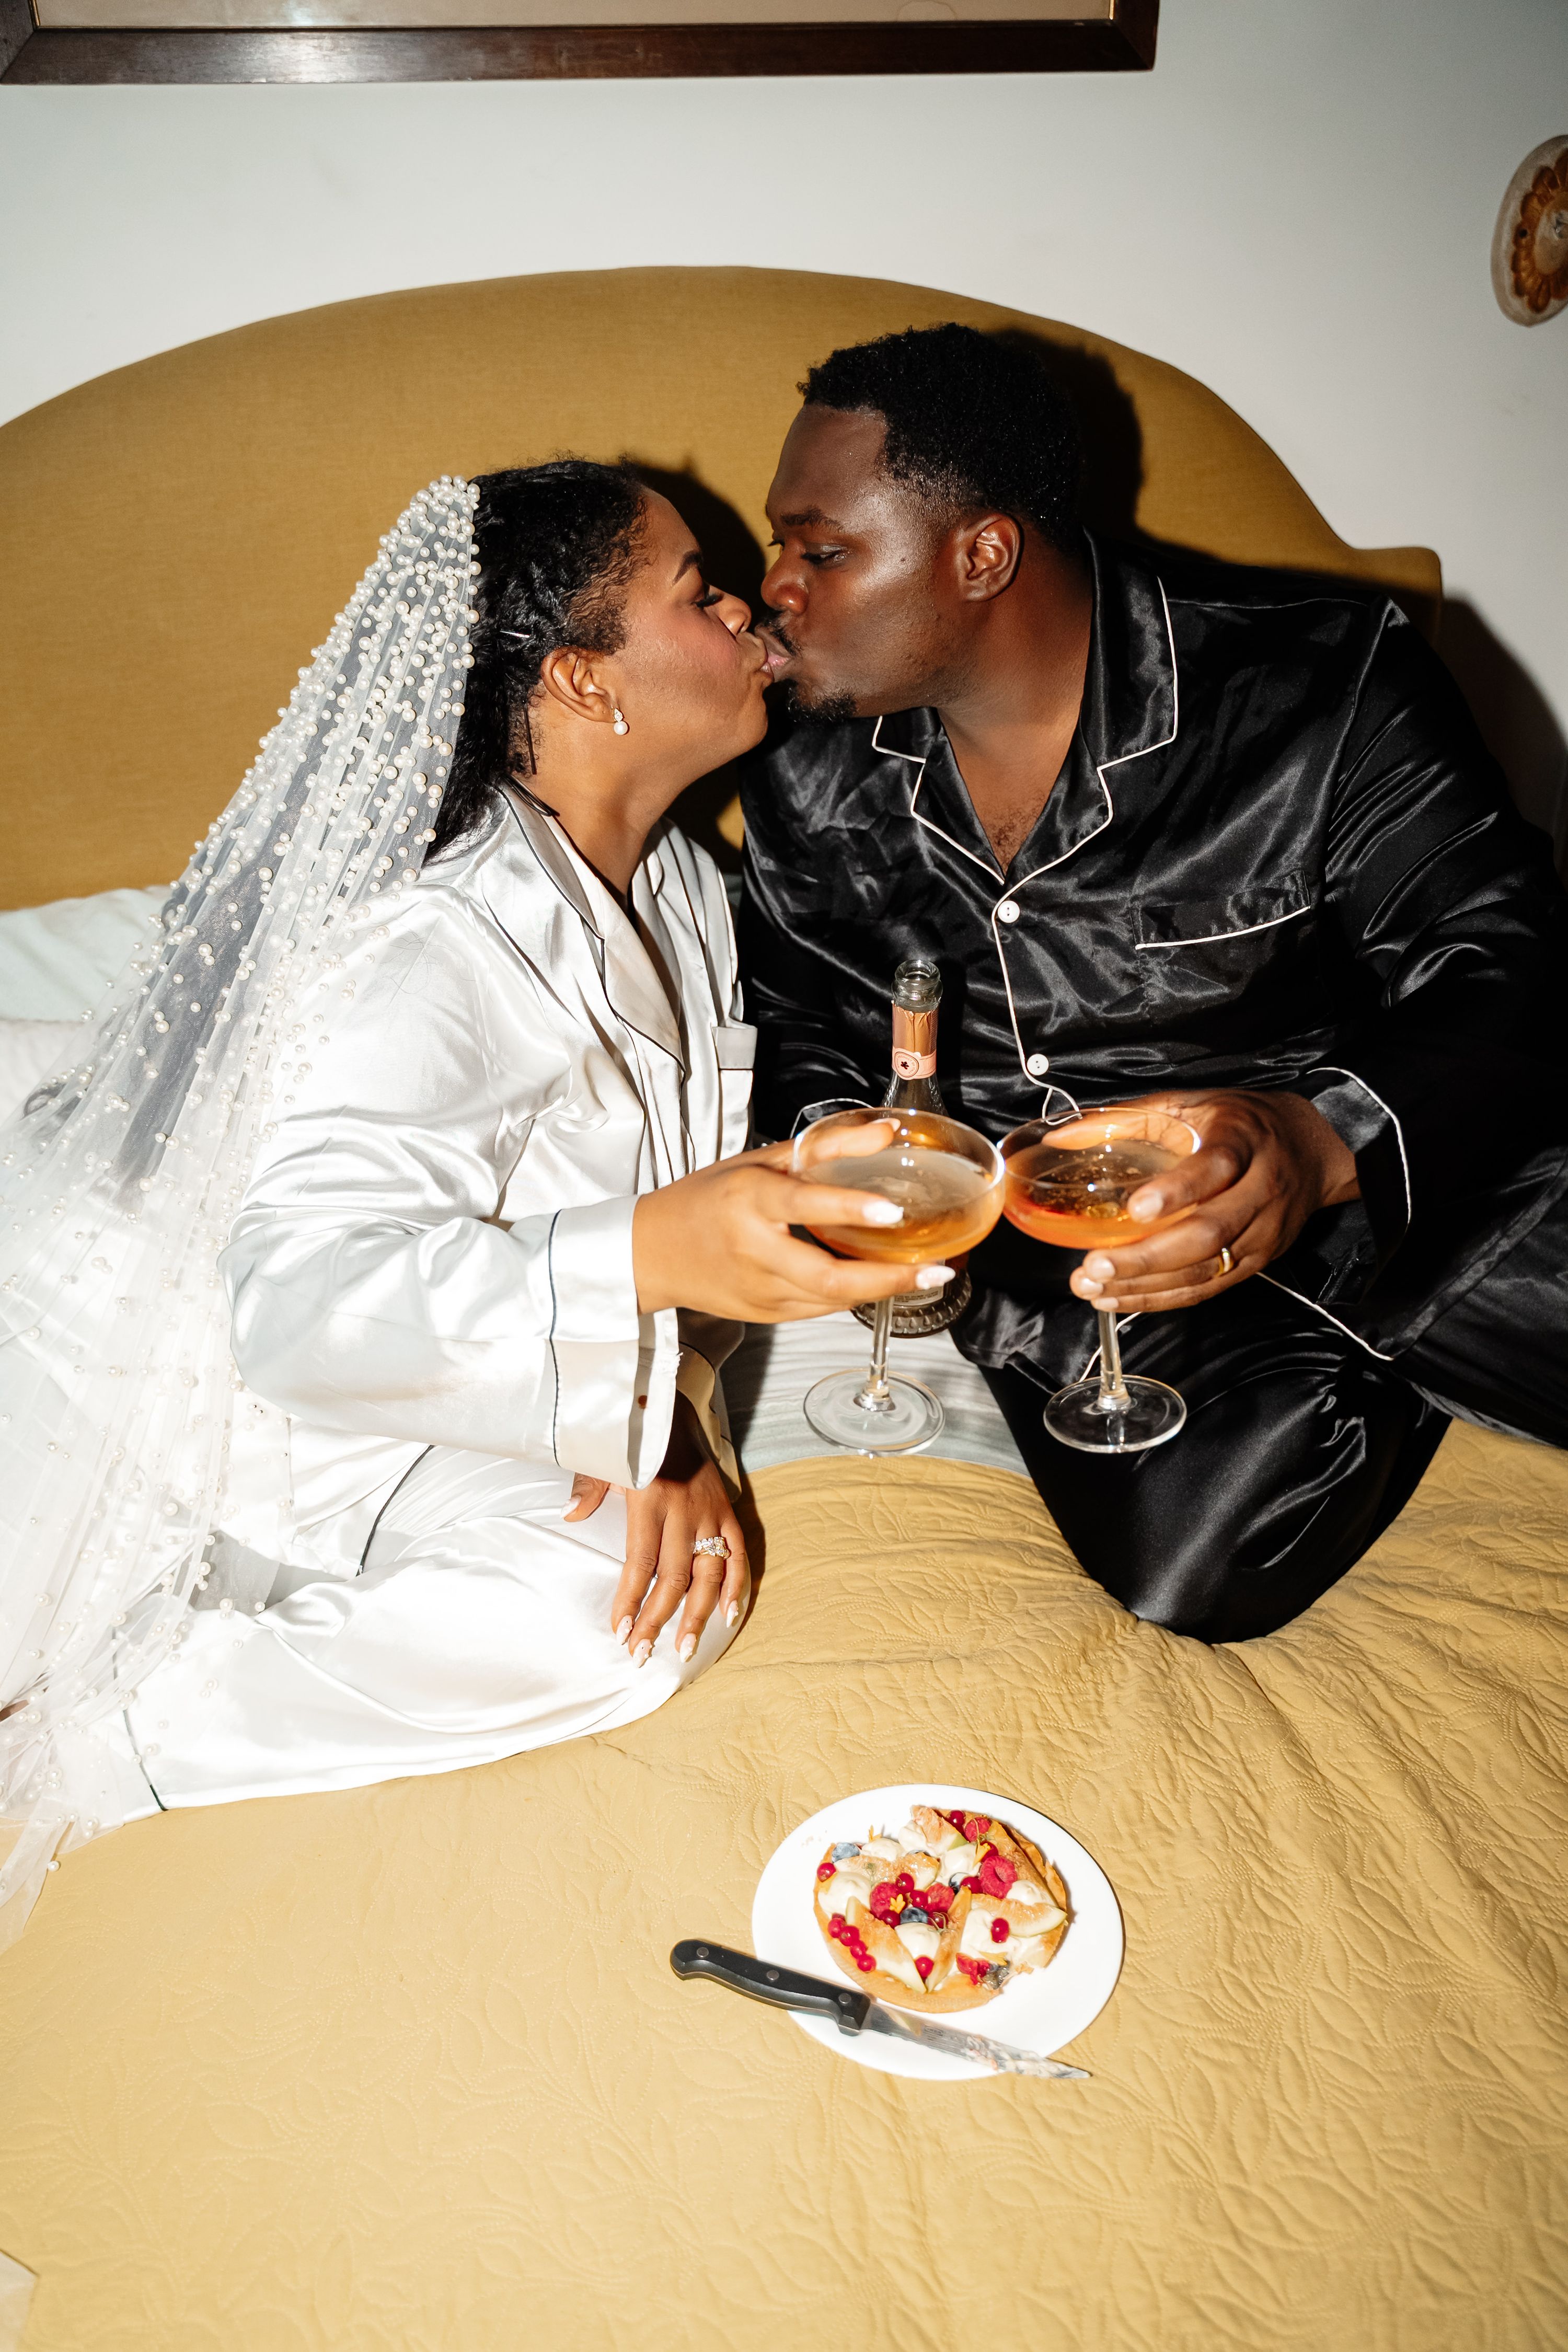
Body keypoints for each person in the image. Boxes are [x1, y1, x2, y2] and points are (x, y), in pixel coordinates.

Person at [0, 462, 949, 1940]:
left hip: (416, 1375)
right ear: (585, 680)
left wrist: (676, 1405)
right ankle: (86, 1720)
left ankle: (146, 1693)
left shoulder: (682, 882)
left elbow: (656, 1213)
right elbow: (298, 1308)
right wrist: (643, 1259)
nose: (749, 605)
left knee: (641, 1609)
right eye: (698, 591)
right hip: (155, 1359)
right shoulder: (438, 944)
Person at [739, 324, 1568, 1643]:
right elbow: (798, 1023)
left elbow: (1515, 961)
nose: (774, 585)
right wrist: (847, 1177)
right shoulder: (803, 772)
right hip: (1087, 1278)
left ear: (983, 554)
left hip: (1425, 1183)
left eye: (820, 548)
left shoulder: (1325, 681)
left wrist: (1316, 1142)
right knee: (1192, 1569)